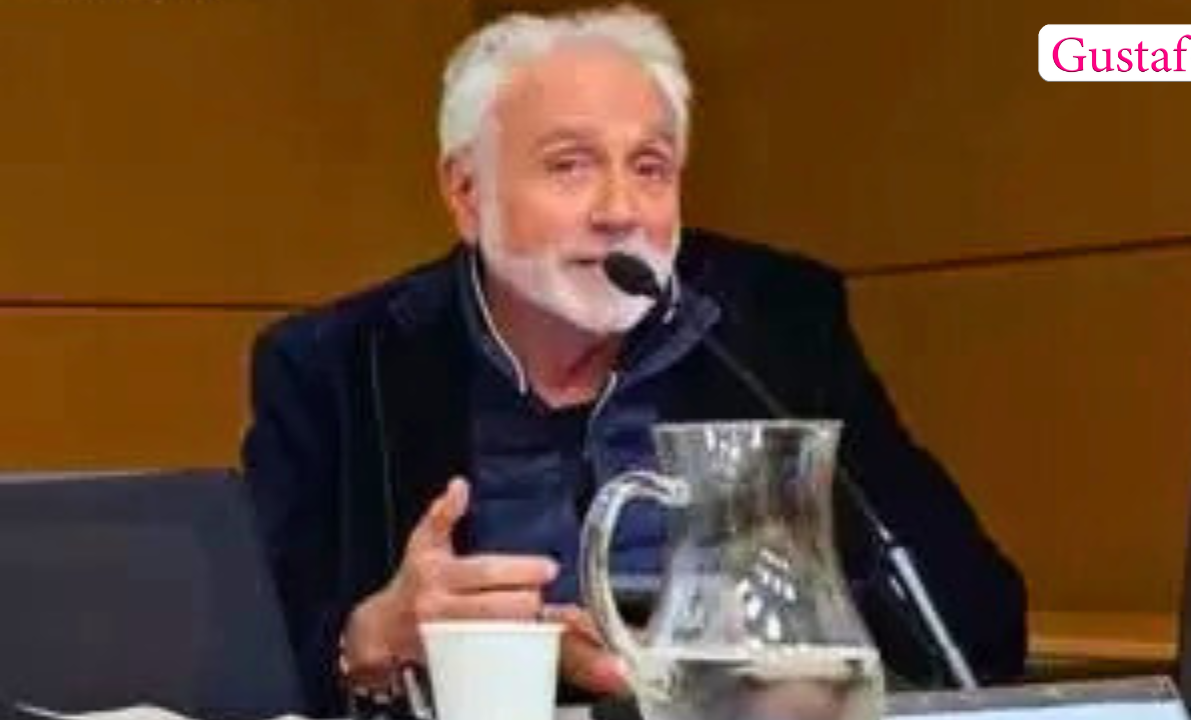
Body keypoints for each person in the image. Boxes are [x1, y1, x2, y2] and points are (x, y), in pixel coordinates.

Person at [242, 6, 1027, 716]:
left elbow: (978, 619)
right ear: (466, 193)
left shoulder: (773, 328)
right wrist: (370, 639)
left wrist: (755, 651)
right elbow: (249, 661)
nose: (620, 211)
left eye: (649, 167)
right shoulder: (335, 366)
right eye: (570, 165)